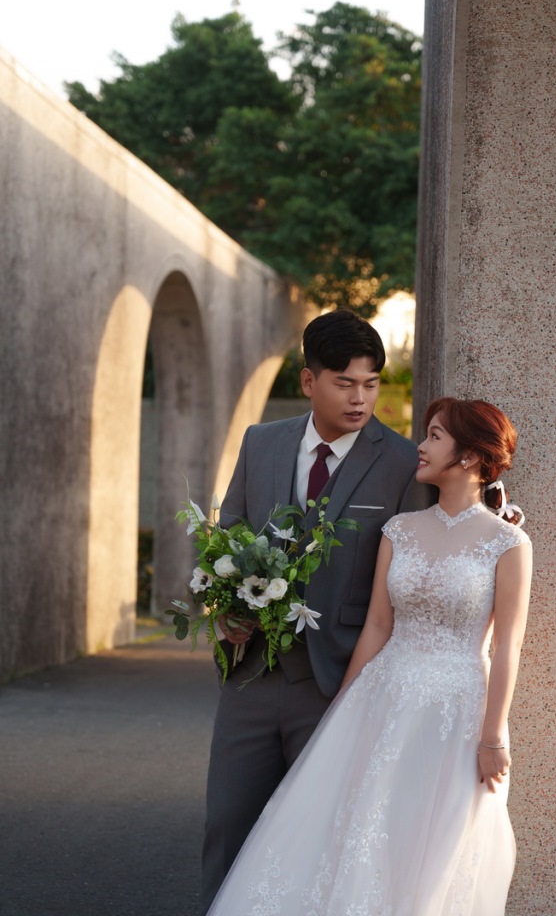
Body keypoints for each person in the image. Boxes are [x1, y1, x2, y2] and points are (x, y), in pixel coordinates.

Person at [205, 396, 533, 916]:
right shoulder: (400, 530)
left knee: (433, 842)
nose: (421, 446)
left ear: (470, 456)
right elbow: (379, 624)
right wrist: (342, 706)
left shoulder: (507, 543)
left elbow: (508, 643)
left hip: (456, 712)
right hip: (383, 696)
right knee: (358, 833)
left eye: (434, 436)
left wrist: (493, 736)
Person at [200, 310, 433, 915]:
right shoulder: (261, 443)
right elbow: (228, 541)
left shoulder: (403, 462)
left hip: (339, 684)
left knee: (319, 841)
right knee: (228, 826)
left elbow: (409, 579)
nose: (360, 399)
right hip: (251, 675)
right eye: (344, 382)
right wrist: (224, 609)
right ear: (309, 381)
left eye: (371, 384)